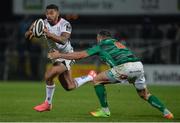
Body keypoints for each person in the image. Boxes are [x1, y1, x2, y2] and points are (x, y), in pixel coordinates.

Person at [48, 30, 174, 119]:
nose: (97, 41)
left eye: (97, 39)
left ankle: (105, 110)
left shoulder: (102, 45)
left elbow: (80, 55)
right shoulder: (118, 43)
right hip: (138, 66)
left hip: (125, 67)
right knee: (144, 94)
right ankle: (166, 112)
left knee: (97, 79)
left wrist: (59, 55)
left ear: (100, 38)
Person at [25, 4, 96, 112]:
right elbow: (26, 34)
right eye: (47, 13)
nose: (49, 15)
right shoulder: (41, 23)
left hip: (67, 55)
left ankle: (47, 104)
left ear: (57, 13)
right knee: (69, 86)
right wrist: (31, 32)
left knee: (48, 75)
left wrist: (49, 34)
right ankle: (90, 76)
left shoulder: (65, 24)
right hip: (55, 56)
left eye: (51, 13)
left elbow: (63, 40)